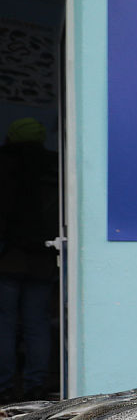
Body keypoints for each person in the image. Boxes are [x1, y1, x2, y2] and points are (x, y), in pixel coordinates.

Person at [0, 118, 58, 402]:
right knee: (37, 323)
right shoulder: (54, 165)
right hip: (44, 256)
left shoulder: (5, 162)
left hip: (9, 256)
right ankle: (37, 385)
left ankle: (5, 388)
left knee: (5, 323)